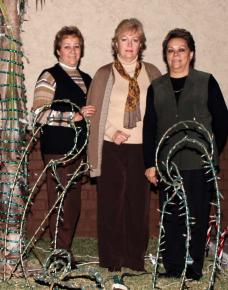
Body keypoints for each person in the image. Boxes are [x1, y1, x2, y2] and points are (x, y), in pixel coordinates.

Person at [143, 28, 228, 280]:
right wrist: (150, 163)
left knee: (196, 217)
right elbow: (150, 127)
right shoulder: (156, 88)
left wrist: (210, 151)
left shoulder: (206, 81)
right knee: (171, 216)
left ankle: (192, 268)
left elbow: (222, 120)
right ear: (165, 56)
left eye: (181, 50)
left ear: (190, 54)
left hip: (198, 163)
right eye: (170, 51)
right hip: (168, 164)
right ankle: (172, 266)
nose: (176, 55)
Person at [87, 18, 161, 272]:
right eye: (124, 40)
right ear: (115, 43)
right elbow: (94, 115)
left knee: (138, 206)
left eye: (135, 40)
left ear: (141, 44)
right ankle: (111, 259)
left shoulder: (152, 73)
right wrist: (111, 131)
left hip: (143, 149)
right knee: (110, 204)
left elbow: (160, 112)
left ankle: (134, 259)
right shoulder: (103, 73)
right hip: (111, 147)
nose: (129, 45)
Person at [33, 26, 93, 267]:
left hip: (79, 150)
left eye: (76, 46)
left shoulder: (88, 79)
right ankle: (59, 254)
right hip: (58, 150)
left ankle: (64, 250)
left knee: (73, 203)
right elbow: (38, 114)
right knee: (60, 201)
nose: (72, 51)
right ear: (58, 50)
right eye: (67, 46)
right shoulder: (49, 76)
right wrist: (73, 118)